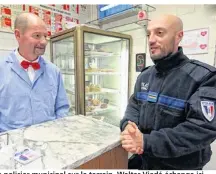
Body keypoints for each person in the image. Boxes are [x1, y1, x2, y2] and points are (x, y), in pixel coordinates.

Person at [120, 14, 216, 170]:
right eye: (148, 34)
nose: (151, 40)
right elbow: (134, 106)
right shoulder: (145, 75)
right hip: (143, 162)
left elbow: (201, 129)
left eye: (159, 33)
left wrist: (146, 142)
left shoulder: (204, 77)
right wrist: (127, 126)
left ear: (179, 36)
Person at [0, 13, 69, 132]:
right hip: (11, 145)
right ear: (18, 35)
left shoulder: (54, 71)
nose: (44, 42)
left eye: (45, 36)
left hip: (48, 140)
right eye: (37, 35)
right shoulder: (2, 69)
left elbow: (62, 108)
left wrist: (57, 132)